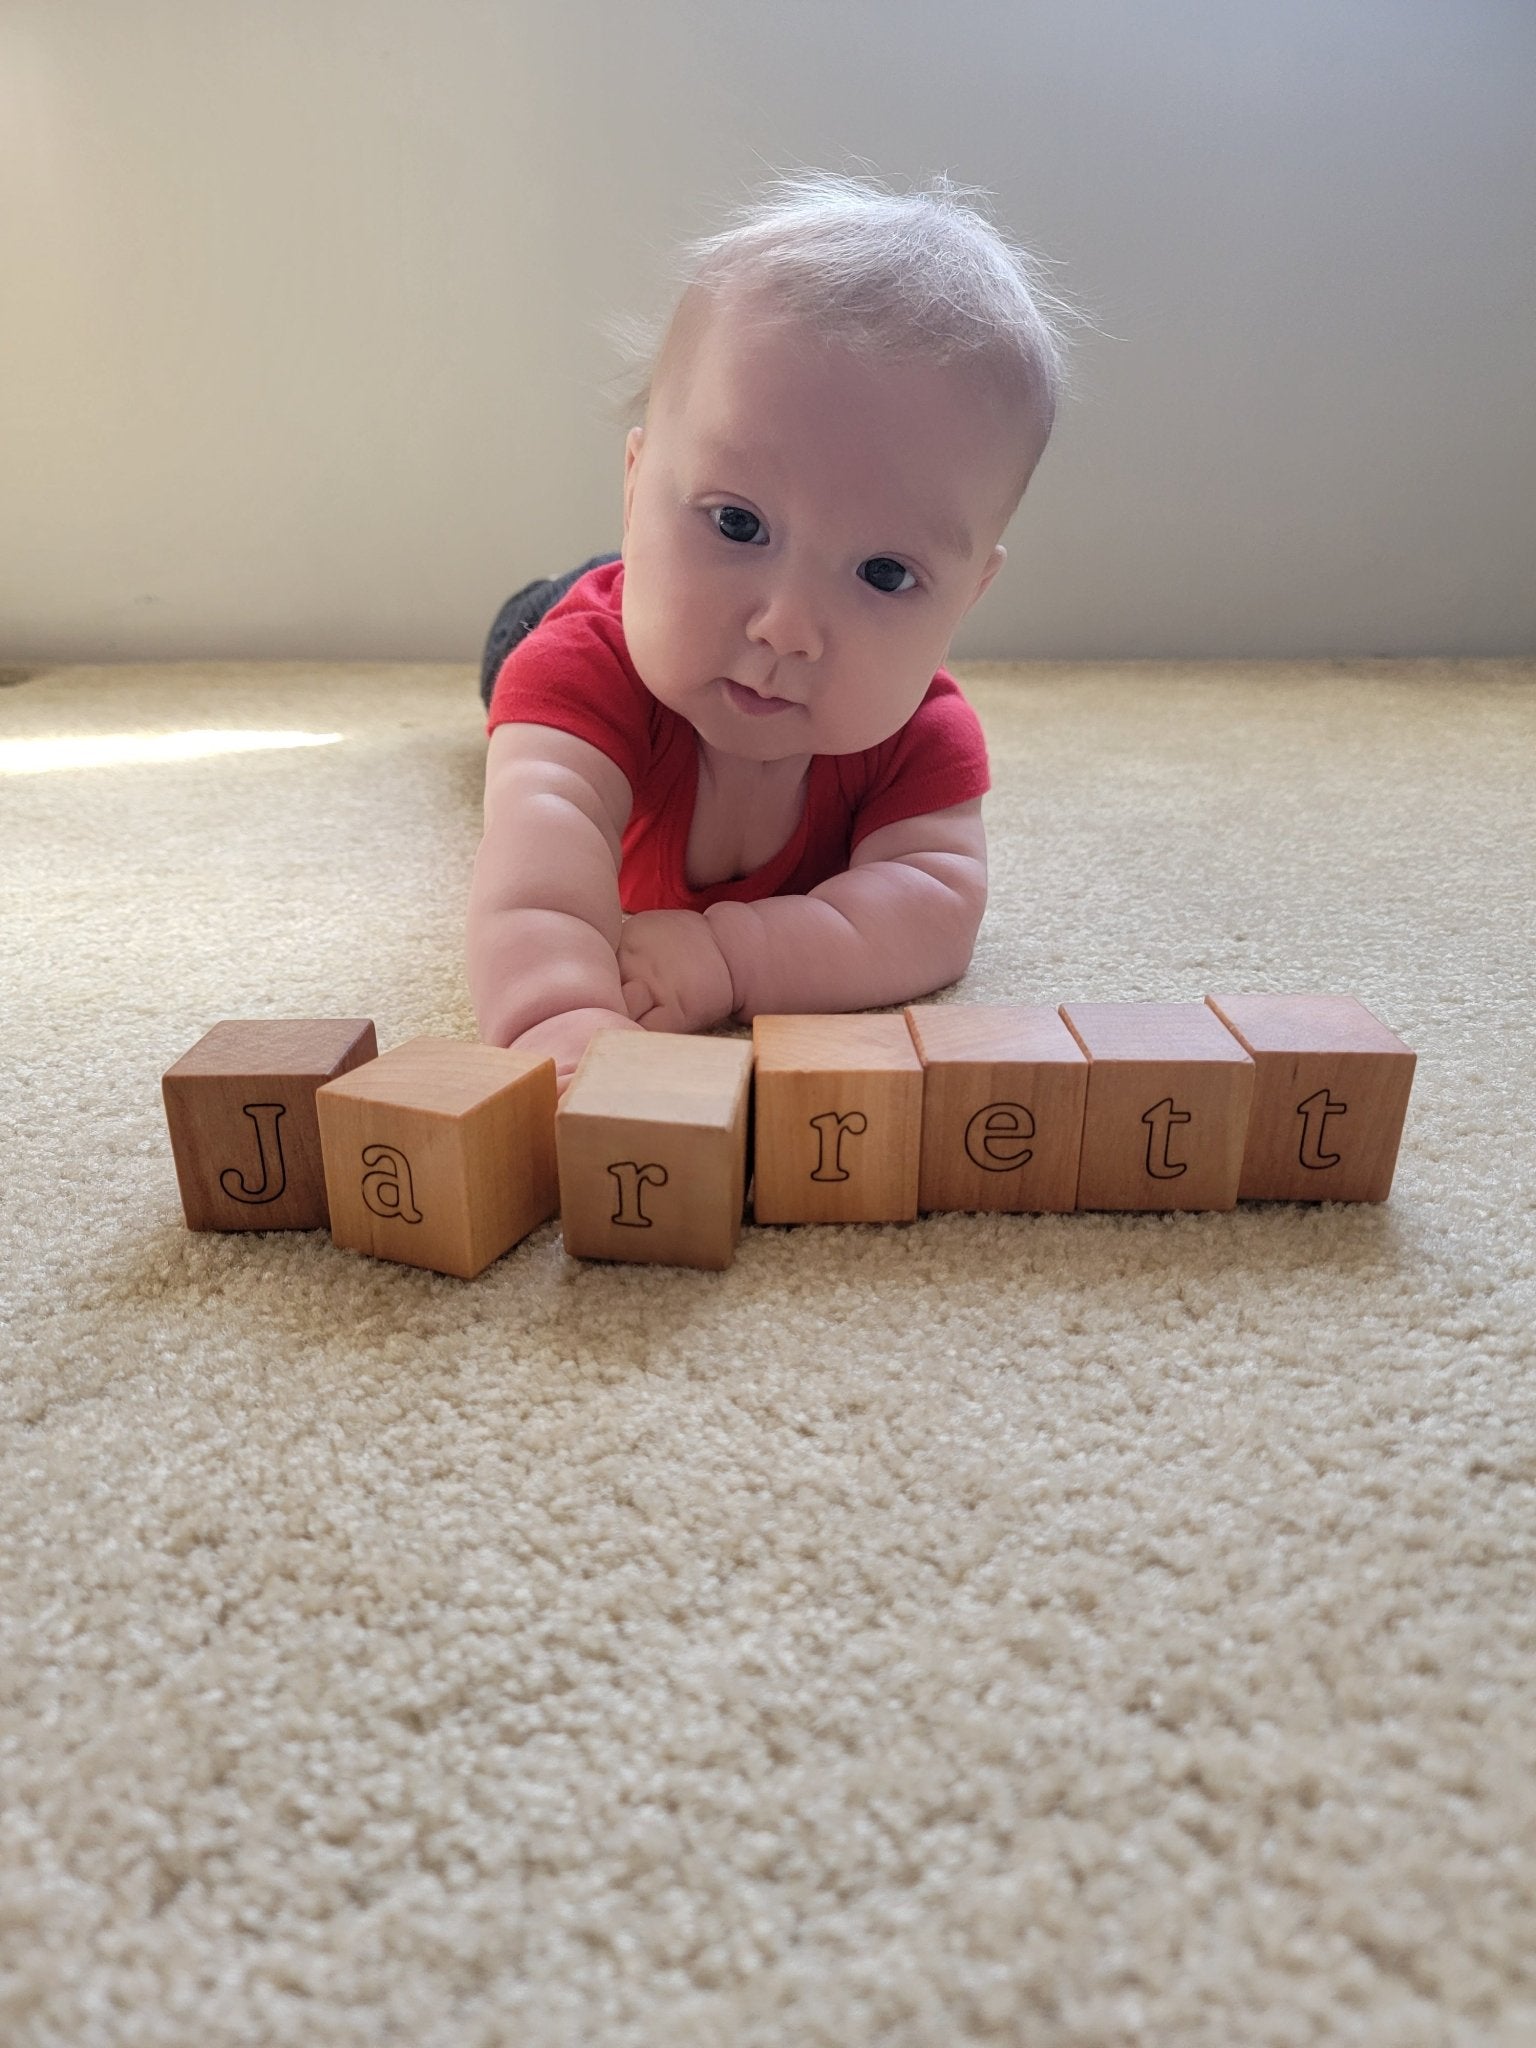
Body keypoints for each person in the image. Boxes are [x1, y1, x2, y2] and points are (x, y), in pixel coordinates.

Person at [467, 168, 1078, 1091]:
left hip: (670, 600)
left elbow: (932, 909)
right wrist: (561, 1025)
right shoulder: (579, 675)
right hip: (592, 621)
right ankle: (604, 577)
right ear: (637, 486)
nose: (788, 628)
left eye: (883, 573)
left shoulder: (920, 739)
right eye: (738, 521)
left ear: (964, 602)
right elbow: (537, 877)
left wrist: (732, 955)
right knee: (523, 650)